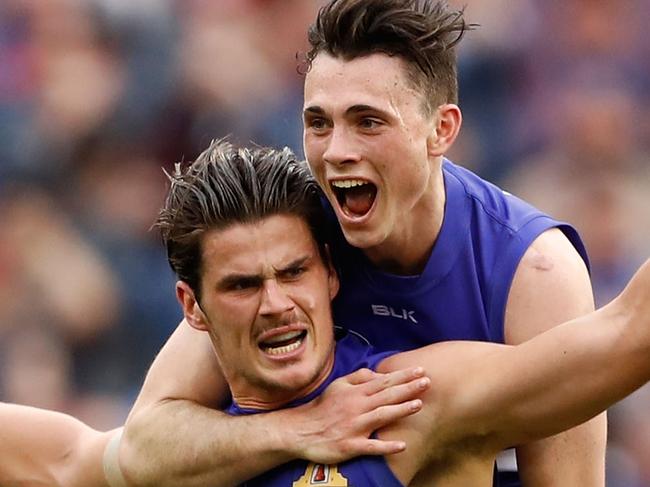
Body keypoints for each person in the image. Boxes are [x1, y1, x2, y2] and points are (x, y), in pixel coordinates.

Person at [120, 2, 604, 485]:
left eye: (367, 122)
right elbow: (146, 444)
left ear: (442, 129)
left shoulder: (533, 272)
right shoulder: (295, 238)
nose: (336, 152)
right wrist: (301, 427)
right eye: (318, 123)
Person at [2, 141, 650, 486]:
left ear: (331, 273)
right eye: (242, 285)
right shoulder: (172, 455)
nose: (276, 304)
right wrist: (294, 430)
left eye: (293, 272)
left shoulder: (404, 399)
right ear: (191, 308)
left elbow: (625, 336)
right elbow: (64, 460)